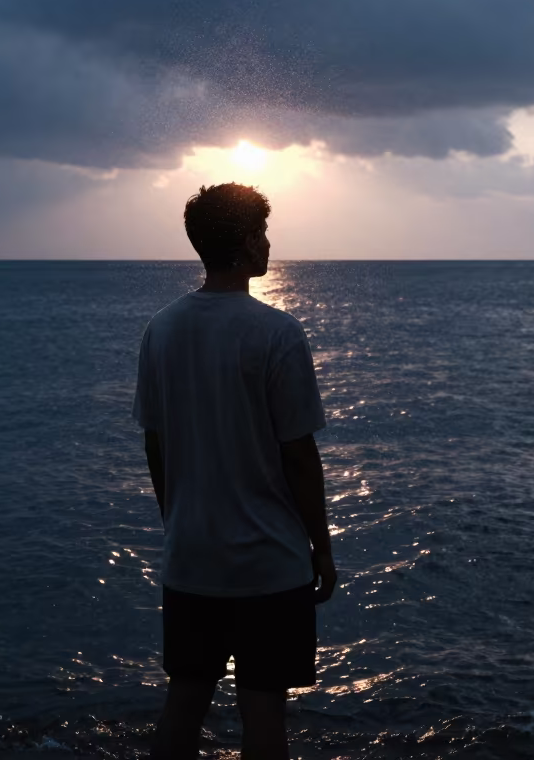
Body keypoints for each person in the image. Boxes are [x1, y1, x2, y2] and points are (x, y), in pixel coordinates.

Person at [132, 181, 337, 760]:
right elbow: (299, 456)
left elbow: (156, 444)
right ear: (247, 241)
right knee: (263, 709)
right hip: (268, 563)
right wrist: (321, 549)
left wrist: (177, 523)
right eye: (263, 231)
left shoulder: (161, 329)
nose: (268, 242)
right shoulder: (277, 332)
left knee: (185, 700)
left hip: (191, 557)